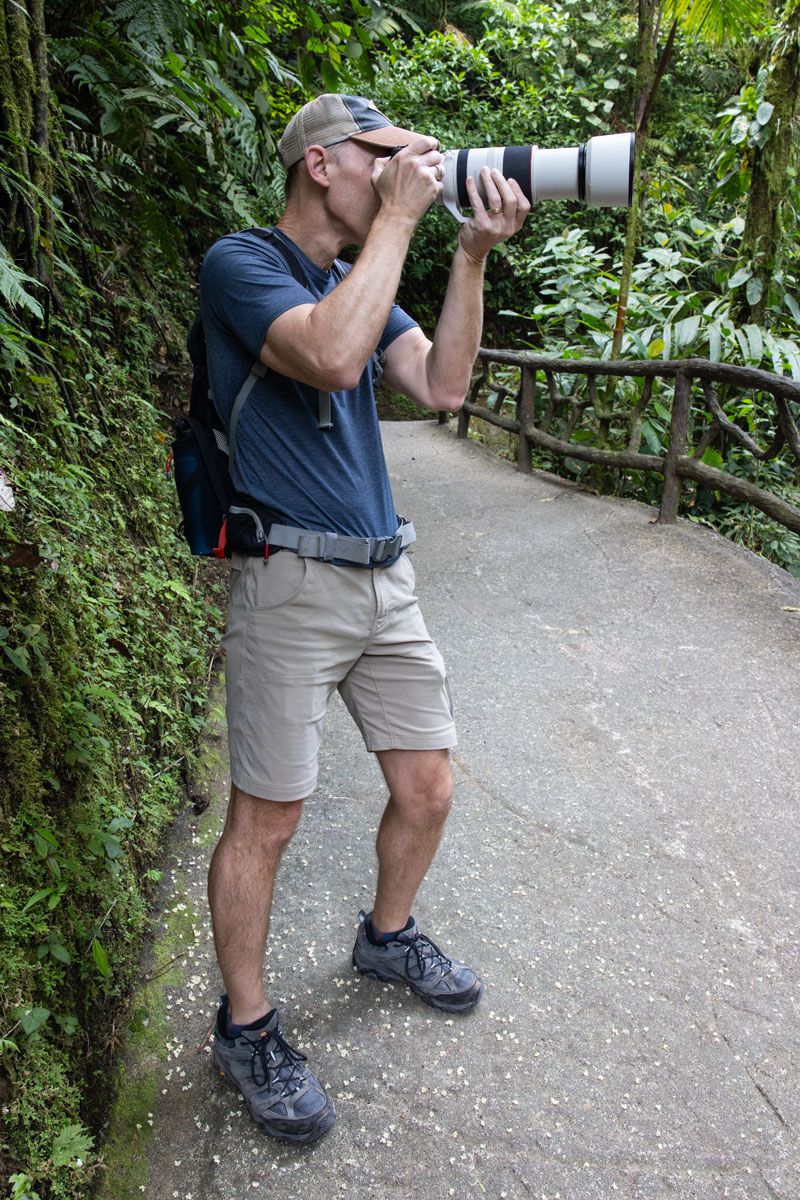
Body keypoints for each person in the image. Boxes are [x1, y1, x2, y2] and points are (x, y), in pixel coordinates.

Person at [201, 93, 530, 1144]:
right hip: (288, 580)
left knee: (427, 788)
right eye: (379, 157)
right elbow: (330, 359)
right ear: (318, 165)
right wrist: (397, 221)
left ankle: (387, 936)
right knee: (269, 818)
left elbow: (439, 385)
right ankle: (245, 1025)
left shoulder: (361, 278)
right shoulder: (239, 265)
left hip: (384, 575)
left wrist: (470, 253)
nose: (400, 172)